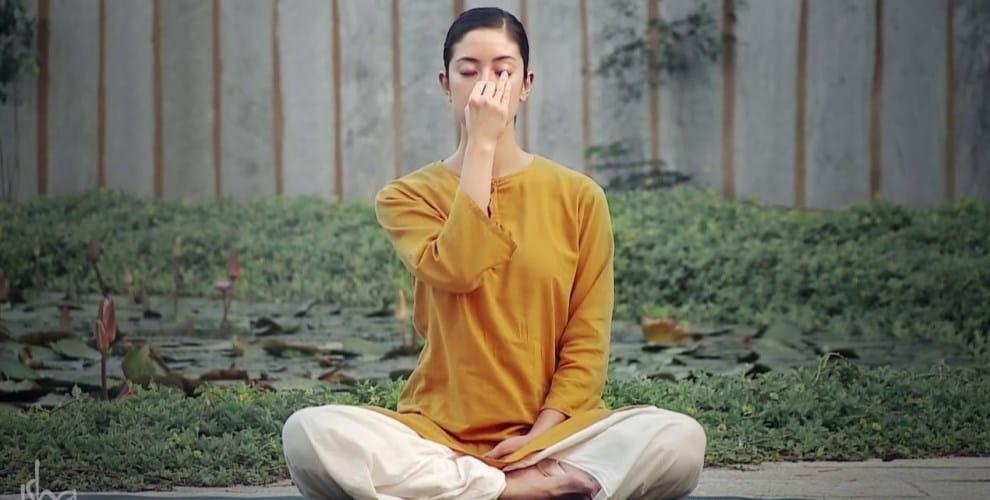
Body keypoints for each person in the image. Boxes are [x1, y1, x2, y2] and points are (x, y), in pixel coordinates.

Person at [281, 7, 706, 499]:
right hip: (439, 437)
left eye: (502, 72)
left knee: (681, 440)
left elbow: (586, 340)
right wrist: (481, 144)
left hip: (553, 440)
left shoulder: (580, 197)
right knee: (308, 435)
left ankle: (482, 487)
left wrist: (542, 436)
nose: (486, 86)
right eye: (469, 71)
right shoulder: (406, 197)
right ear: (446, 85)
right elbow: (458, 269)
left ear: (526, 84)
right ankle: (515, 491)